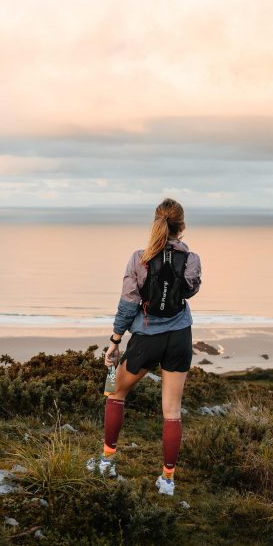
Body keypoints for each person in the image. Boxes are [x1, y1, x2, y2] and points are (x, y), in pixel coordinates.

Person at [87, 198, 202, 496]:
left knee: (115, 391)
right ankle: (167, 481)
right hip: (180, 337)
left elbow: (128, 305)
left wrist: (115, 341)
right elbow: (191, 289)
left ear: (154, 224)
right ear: (183, 227)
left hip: (147, 338)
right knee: (172, 411)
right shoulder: (191, 259)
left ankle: (107, 462)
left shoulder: (138, 259)